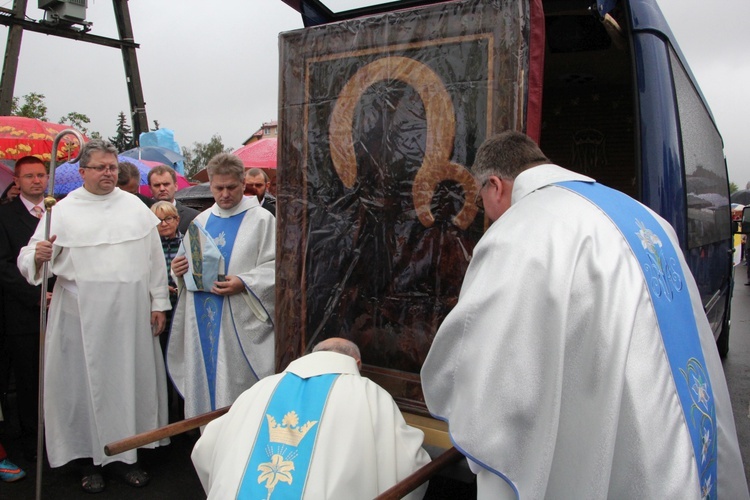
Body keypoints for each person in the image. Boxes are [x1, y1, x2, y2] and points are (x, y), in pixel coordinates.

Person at [421, 131, 749, 499]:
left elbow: (489, 370)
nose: (489, 215)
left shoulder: (521, 231)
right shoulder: (645, 217)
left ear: (494, 185)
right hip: (673, 444)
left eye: (484, 201)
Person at [18, 139, 171, 493]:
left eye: (113, 167)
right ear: (83, 171)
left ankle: (125, 458)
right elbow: (28, 256)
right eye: (101, 167)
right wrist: (38, 256)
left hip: (130, 316)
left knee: (127, 385)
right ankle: (88, 463)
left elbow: (154, 262)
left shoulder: (134, 207)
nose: (108, 173)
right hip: (78, 315)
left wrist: (158, 302)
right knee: (82, 391)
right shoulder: (63, 210)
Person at [192, 337, 431, 499]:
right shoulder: (369, 394)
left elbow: (205, 449)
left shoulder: (261, 387)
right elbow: (411, 464)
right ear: (357, 363)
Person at [168, 153, 275, 419]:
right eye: (218, 188)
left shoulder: (262, 220)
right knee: (208, 384)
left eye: (231, 187)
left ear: (242, 184)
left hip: (240, 319)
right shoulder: (200, 221)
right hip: (202, 317)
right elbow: (187, 262)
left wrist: (245, 282)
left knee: (237, 391)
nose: (225, 194)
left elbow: (279, 268)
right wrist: (178, 271)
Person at [0, 156, 54, 461]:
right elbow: (3, 265)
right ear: (17, 182)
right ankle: (34, 442)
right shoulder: (5, 216)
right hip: (24, 313)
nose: (36, 181)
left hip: (61, 306)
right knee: (30, 379)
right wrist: (34, 295)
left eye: (40, 175)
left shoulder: (57, 212)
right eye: (29, 176)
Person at [150, 200, 184, 422]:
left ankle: (183, 415)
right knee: (160, 365)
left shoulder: (187, 243)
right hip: (158, 314)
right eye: (158, 220)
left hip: (180, 311)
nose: (164, 224)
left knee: (182, 364)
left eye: (168, 219)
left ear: (177, 220)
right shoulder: (149, 247)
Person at [147, 164, 199, 234]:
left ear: (176, 186)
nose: (162, 189)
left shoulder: (194, 217)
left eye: (166, 184)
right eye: (157, 185)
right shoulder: (144, 216)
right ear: (150, 189)